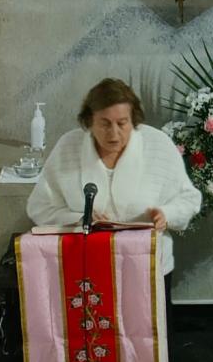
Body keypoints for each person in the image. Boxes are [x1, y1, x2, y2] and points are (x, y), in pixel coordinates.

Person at [27, 79, 202, 278]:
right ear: (89, 122)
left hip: (148, 268)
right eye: (105, 124)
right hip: (84, 268)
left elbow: (189, 199)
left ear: (133, 120)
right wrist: (78, 219)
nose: (114, 133)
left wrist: (166, 215)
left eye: (122, 123)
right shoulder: (68, 147)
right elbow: (39, 207)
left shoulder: (158, 145)